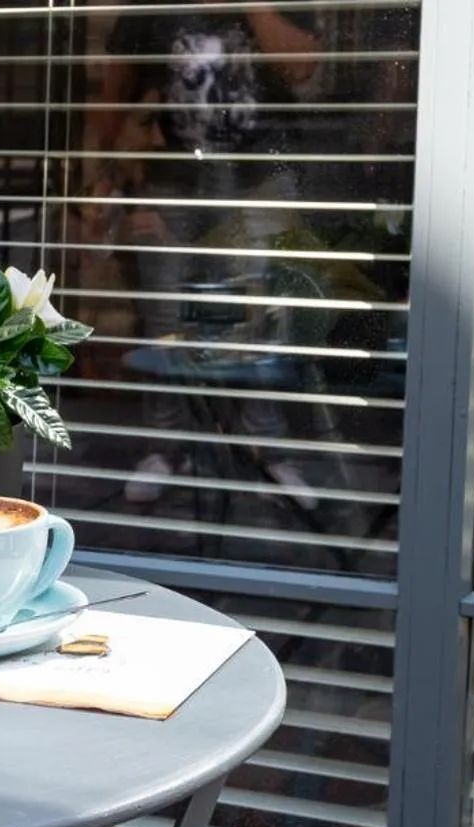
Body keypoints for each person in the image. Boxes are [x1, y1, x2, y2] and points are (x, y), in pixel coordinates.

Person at [91, 6, 326, 511]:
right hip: (171, 180)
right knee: (163, 317)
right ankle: (166, 448)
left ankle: (267, 447)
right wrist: (114, 170)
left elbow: (302, 65)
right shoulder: (145, 14)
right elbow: (113, 102)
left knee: (263, 314)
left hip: (259, 175)